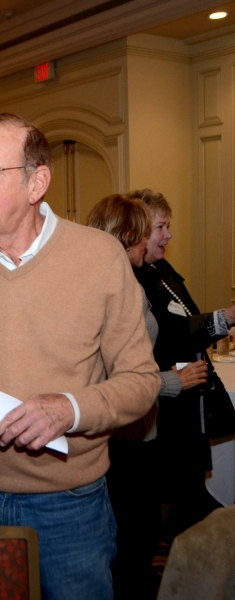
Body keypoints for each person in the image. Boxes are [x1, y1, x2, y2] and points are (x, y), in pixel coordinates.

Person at [0, 113, 160, 600]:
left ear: (37, 182)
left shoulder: (100, 257)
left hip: (69, 504)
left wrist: (69, 409)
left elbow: (141, 381)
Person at [86, 194, 206, 599]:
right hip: (123, 433)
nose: (153, 241)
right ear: (125, 236)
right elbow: (109, 375)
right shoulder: (117, 289)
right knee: (132, 537)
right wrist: (173, 382)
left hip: (135, 428)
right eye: (147, 232)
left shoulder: (128, 281)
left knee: (135, 534)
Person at [130, 189, 235, 532]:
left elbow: (187, 318)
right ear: (138, 231)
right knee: (166, 498)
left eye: (168, 226)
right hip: (164, 404)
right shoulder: (132, 278)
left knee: (188, 493)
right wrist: (226, 317)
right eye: (160, 227)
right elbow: (169, 334)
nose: (169, 235)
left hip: (187, 397)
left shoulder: (162, 269)